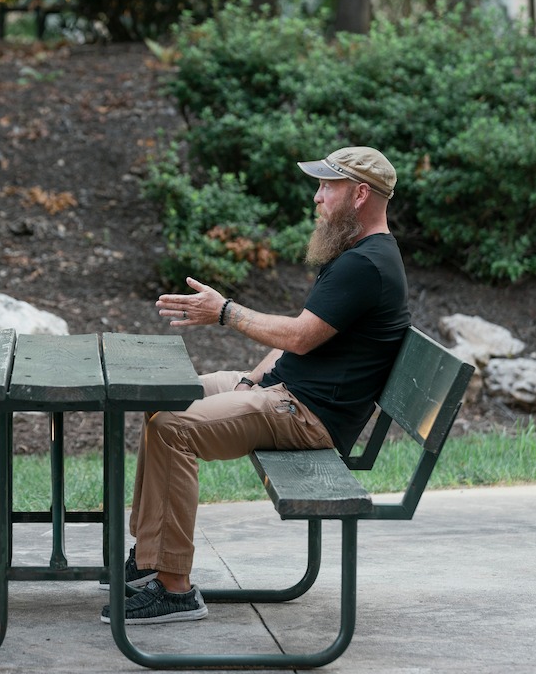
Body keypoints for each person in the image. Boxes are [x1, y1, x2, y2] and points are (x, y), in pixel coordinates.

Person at [101, 146, 410, 626]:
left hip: (307, 415)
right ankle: (149, 559)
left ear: (360, 195)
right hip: (283, 394)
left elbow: (300, 336)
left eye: (328, 186)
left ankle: (173, 586)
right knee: (162, 398)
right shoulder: (359, 257)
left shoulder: (366, 265)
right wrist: (252, 379)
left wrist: (225, 312)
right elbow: (298, 336)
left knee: (172, 426)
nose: (317, 197)